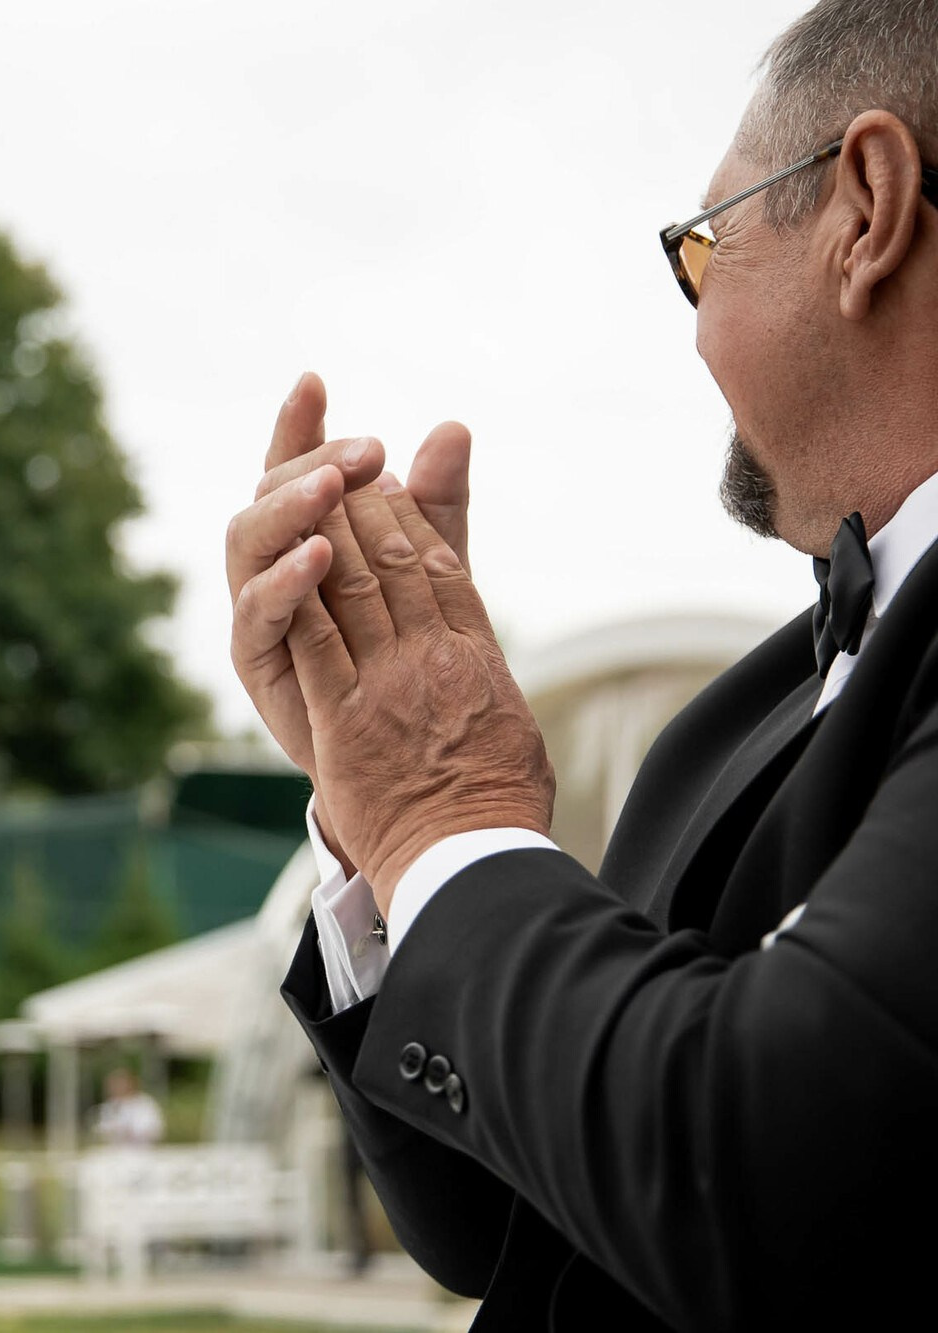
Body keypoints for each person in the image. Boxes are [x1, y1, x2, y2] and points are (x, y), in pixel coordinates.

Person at [225, 3, 938, 1327]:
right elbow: (497, 1225)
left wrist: (447, 819)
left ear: (866, 207)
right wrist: (375, 816)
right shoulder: (742, 712)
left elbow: (769, 1176)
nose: (693, 322)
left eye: (706, 246)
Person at [91, 1067, 164, 1147]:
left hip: (141, 1152)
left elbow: (155, 1130)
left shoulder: (146, 1104)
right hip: (113, 1154)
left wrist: (129, 1131)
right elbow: (100, 1130)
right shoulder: (108, 1106)